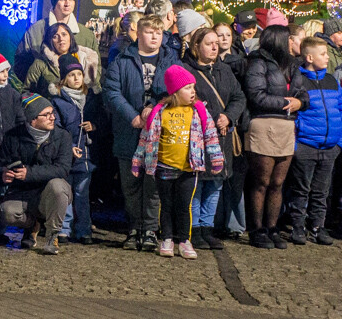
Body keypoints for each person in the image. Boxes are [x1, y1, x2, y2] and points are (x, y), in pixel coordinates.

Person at [132, 65, 225, 260]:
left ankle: (184, 240)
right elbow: (146, 138)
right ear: (175, 91)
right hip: (163, 167)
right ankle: (166, 239)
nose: (193, 91)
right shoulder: (160, 112)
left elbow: (211, 135)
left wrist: (216, 158)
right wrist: (137, 160)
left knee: (184, 205)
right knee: (166, 205)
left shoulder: (199, 111)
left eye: (193, 87)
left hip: (188, 168)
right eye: (187, 88)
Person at [103, 14, 177, 251]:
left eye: (158, 32)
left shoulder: (171, 60)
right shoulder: (122, 60)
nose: (154, 36)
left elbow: (176, 90)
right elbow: (112, 92)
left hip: (159, 133)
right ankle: (134, 227)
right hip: (129, 131)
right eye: (149, 32)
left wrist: (154, 108)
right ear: (139, 33)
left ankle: (150, 230)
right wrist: (132, 117)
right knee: (131, 184)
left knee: (153, 185)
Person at [243, 24, 308, 249]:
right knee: (261, 181)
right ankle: (256, 228)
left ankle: (272, 227)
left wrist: (300, 103)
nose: (293, 42)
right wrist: (287, 103)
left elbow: (302, 94)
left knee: (278, 183)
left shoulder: (293, 65)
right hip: (264, 122)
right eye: (290, 39)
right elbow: (256, 95)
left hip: (286, 125)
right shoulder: (258, 63)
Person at [182, 27, 247, 250]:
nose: (214, 47)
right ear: (196, 46)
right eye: (209, 43)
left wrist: (228, 116)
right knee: (198, 184)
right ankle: (194, 229)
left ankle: (207, 228)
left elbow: (238, 97)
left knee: (215, 184)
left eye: (216, 44)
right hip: (197, 138)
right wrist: (208, 117)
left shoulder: (224, 70)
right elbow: (184, 99)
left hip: (221, 138)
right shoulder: (186, 70)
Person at [285, 37, 342, 246]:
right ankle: (297, 227)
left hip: (330, 146)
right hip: (306, 145)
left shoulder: (332, 81)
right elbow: (293, 114)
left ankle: (317, 227)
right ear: (310, 57)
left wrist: (341, 142)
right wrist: (296, 145)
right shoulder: (298, 82)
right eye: (323, 54)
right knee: (301, 190)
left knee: (322, 191)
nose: (327, 57)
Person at [0, 94, 72, 255]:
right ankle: (32, 225)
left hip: (49, 193)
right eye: (47, 114)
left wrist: (29, 173)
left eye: (52, 113)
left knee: (58, 186)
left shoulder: (62, 136)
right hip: (23, 192)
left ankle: (52, 235)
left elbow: (62, 169)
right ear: (33, 119)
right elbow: (0, 163)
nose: (52, 118)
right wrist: (3, 174)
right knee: (7, 212)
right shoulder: (13, 136)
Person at [51, 54, 101, 244]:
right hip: (67, 156)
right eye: (71, 75)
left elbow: (103, 120)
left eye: (79, 74)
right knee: (66, 194)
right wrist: (68, 147)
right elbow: (56, 129)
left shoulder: (91, 99)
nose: (76, 78)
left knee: (82, 194)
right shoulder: (58, 102)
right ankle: (64, 228)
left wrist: (94, 126)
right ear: (64, 79)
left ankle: (83, 229)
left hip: (86, 157)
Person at [18, 0, 97, 74]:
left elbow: (96, 67)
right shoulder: (36, 31)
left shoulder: (86, 35)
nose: (67, 4)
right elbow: (21, 62)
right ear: (54, 1)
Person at [22, 22, 100, 97]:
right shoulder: (40, 64)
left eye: (64, 34)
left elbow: (94, 88)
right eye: (55, 36)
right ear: (50, 40)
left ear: (70, 37)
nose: (61, 39)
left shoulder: (84, 59)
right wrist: (43, 104)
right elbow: (26, 92)